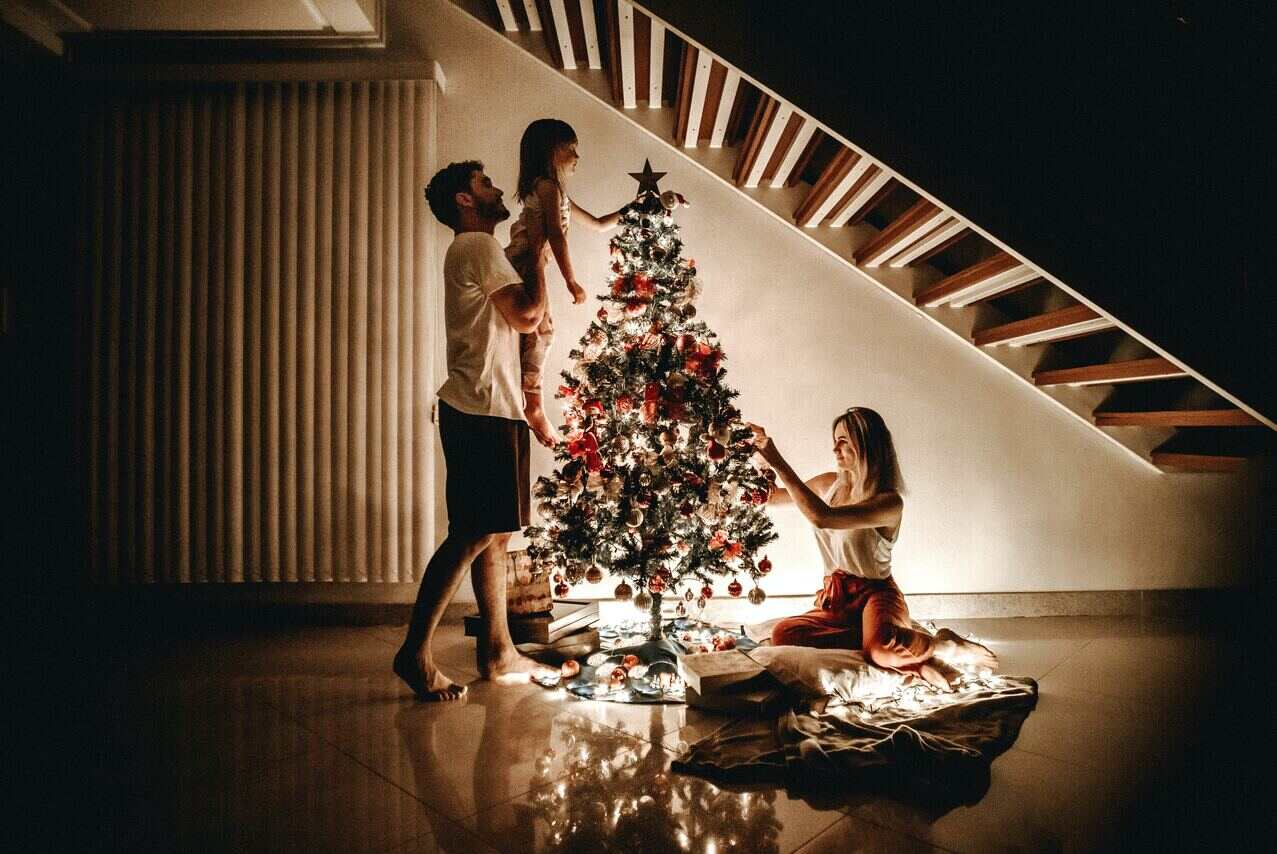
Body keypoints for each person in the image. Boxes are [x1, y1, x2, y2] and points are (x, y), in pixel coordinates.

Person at [394, 160, 555, 701]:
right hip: (480, 407)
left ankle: (497, 649)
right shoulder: (476, 247)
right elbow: (529, 315)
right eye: (484, 184)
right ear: (465, 200)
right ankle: (415, 652)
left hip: (494, 406)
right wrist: (539, 249)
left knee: (494, 531)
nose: (496, 189)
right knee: (471, 530)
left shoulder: (478, 253)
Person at [746, 408, 998, 691]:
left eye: (844, 440)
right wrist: (758, 455)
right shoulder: (829, 483)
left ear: (866, 445)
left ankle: (942, 645)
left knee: (879, 650)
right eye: (835, 439)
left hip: (876, 595)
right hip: (837, 597)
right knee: (784, 633)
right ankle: (897, 643)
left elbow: (822, 516)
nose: (834, 448)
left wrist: (777, 459)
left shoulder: (888, 503)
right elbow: (770, 499)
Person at [505, 118, 623, 447]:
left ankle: (531, 401)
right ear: (551, 152)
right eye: (570, 149)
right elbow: (555, 235)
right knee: (541, 331)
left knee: (538, 333)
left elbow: (599, 224)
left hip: (529, 264)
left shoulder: (557, 193)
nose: (576, 157)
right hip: (522, 264)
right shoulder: (547, 187)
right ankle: (534, 405)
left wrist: (635, 208)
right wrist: (571, 281)